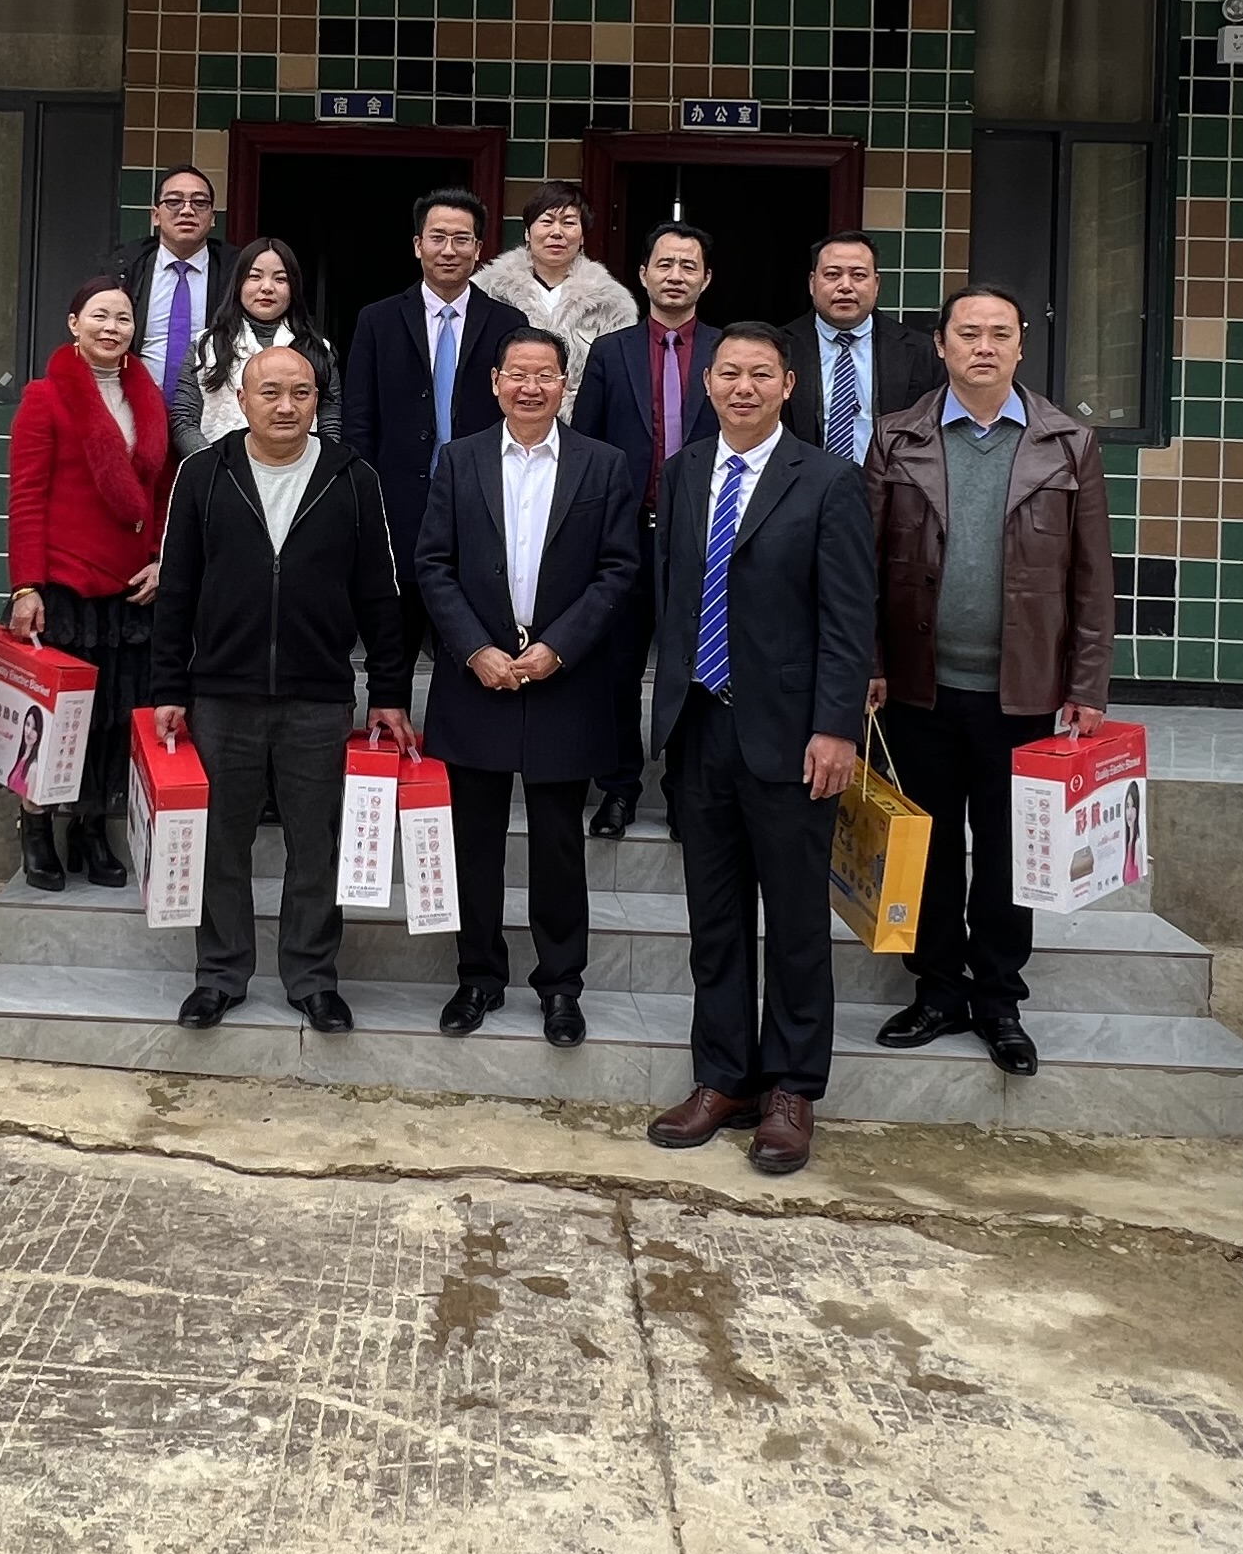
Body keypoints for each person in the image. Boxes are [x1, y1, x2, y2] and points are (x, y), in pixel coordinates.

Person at [640, 322, 877, 1178]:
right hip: (700, 726)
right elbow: (671, 597)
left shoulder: (829, 480)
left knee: (797, 922)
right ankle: (724, 1078)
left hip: (791, 736)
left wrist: (836, 726)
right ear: (707, 384)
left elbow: (849, 617)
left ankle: (791, 1088)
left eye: (761, 375)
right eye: (730, 373)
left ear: (787, 386)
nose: (744, 387)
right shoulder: (683, 472)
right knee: (716, 919)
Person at [864, 283, 1115, 1077]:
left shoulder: (1067, 443)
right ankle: (937, 989)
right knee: (930, 848)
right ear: (940, 346)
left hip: (1025, 692)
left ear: (1020, 346)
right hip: (918, 687)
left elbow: (1092, 578)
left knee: (1011, 855)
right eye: (967, 332)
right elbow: (865, 567)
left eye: (999, 333)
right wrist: (870, 664)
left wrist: (1087, 686)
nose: (984, 346)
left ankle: (999, 999)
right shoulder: (896, 437)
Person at [149, 344, 417, 1031]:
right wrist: (168, 687)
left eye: (301, 393)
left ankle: (312, 977)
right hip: (221, 694)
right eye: (270, 392)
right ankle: (220, 974)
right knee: (220, 842)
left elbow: (381, 596)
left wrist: (389, 691)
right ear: (241, 400)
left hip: (318, 695)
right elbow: (176, 591)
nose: (286, 406)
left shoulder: (352, 478)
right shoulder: (204, 474)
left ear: (318, 402)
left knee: (315, 846)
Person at [414, 323, 643, 1045]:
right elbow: (432, 565)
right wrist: (474, 649)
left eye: (545, 374)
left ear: (564, 385)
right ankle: (478, 977)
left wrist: (559, 648)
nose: (530, 386)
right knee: (474, 841)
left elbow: (618, 570)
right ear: (495, 383)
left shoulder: (602, 464)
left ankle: (561, 986)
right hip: (476, 678)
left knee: (558, 843)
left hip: (563, 682)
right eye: (517, 373)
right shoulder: (459, 459)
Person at [4, 275, 173, 893]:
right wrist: (26, 586)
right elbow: (26, 496)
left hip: (129, 589)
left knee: (110, 719)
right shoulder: (45, 397)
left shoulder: (147, 395)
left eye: (123, 318)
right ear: (74, 324)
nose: (112, 327)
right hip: (64, 588)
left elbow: (160, 491)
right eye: (99, 315)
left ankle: (90, 829)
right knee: (53, 720)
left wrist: (161, 557)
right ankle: (36, 828)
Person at [567, 216, 722, 840]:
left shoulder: (727, 351)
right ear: (642, 274)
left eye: (689, 266)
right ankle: (618, 789)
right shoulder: (612, 352)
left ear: (706, 279)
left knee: (694, 667)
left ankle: (687, 793)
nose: (675, 276)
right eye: (665, 264)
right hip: (627, 535)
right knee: (617, 668)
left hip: (706, 535)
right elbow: (586, 448)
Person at [340, 185, 506, 643]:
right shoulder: (377, 320)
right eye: (437, 237)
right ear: (418, 245)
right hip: (397, 504)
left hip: (480, 504)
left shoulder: (507, 324)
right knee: (394, 643)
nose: (449, 250)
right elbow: (359, 418)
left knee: (472, 641)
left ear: (478, 248)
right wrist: (364, 497)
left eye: (461, 239)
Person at [475, 179, 638, 414]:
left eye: (568, 223)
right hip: (501, 419)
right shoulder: (487, 290)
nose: (557, 232)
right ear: (527, 233)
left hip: (582, 423)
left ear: (582, 236)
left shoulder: (611, 303)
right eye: (547, 221)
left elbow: (618, 379)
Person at [176, 233, 343, 462]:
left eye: (280, 279)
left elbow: (330, 421)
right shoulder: (205, 346)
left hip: (302, 473)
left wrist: (318, 468)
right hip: (220, 472)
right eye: (254, 276)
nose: (267, 287)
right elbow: (184, 419)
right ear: (238, 284)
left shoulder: (319, 349)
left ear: (294, 288)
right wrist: (215, 468)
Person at [781, 231, 942, 468]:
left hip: (890, 484)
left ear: (876, 284)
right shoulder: (779, 348)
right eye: (832, 275)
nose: (845, 286)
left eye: (858, 275)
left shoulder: (920, 351)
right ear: (812, 283)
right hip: (803, 484)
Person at [119, 165, 228, 417]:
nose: (187, 210)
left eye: (200, 203)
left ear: (212, 218)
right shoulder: (125, 270)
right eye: (174, 201)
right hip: (134, 411)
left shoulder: (236, 273)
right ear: (155, 215)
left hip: (211, 413)